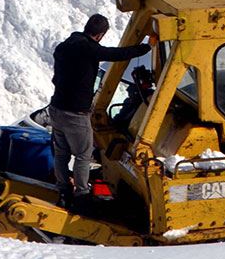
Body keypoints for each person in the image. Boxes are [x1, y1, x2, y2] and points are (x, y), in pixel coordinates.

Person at [50, 14, 153, 200]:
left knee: (61, 152)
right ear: (100, 35)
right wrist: (145, 48)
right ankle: (82, 194)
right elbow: (116, 55)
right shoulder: (90, 49)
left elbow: (56, 78)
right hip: (76, 114)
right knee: (83, 154)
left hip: (56, 109)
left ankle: (63, 186)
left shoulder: (64, 46)